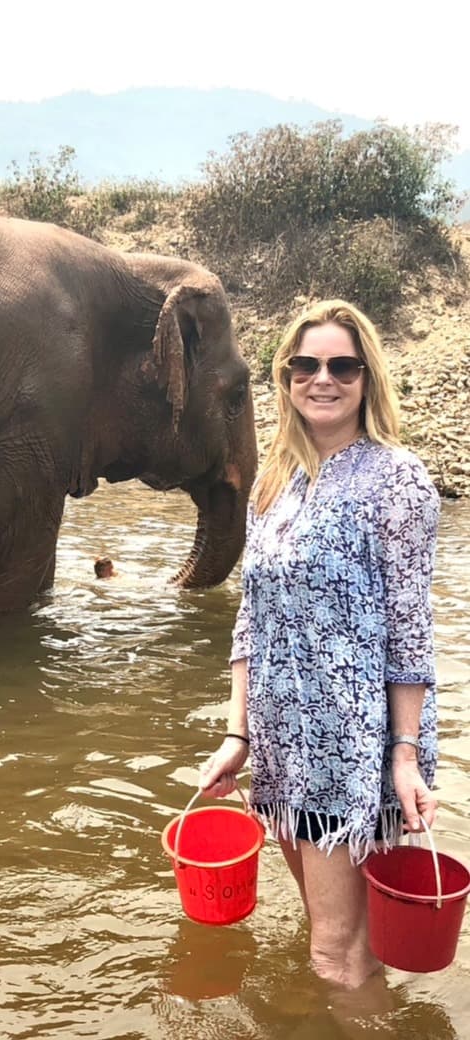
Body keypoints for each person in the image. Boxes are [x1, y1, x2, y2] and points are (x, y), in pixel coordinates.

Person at [199, 299, 439, 990]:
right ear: (285, 376)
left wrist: (403, 755)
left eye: (342, 365)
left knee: (336, 956)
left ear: (368, 377)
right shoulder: (274, 482)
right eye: (305, 364)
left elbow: (410, 629)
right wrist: (238, 735)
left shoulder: (397, 479)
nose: (322, 378)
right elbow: (252, 618)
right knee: (334, 939)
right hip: (283, 745)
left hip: (354, 750)